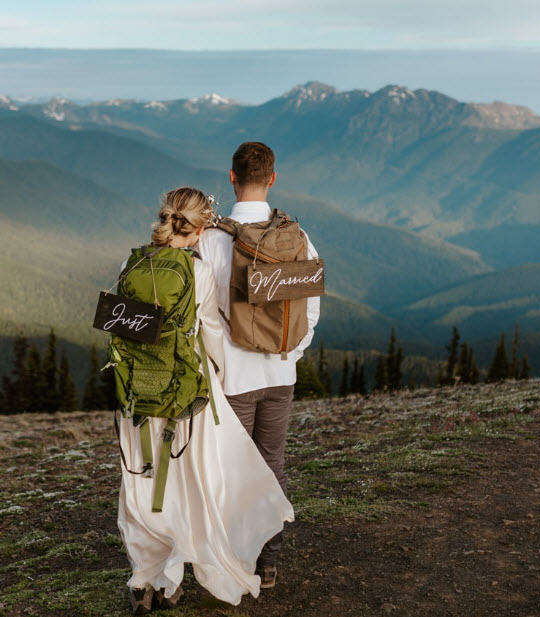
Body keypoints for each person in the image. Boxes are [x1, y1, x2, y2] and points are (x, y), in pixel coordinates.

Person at [116, 187, 294, 614]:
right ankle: (175, 575)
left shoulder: (131, 262)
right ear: (198, 231)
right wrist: (225, 374)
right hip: (184, 394)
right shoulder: (194, 271)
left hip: (138, 394)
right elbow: (211, 330)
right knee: (183, 487)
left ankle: (145, 579)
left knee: (141, 482)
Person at [196, 142, 320, 589]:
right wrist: (290, 353)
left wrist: (219, 365)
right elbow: (311, 309)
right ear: (272, 178)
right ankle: (267, 563)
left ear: (231, 177)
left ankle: (233, 560)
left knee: (231, 469)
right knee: (272, 464)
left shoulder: (211, 240)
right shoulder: (298, 236)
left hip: (233, 378)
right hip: (280, 375)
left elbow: (201, 313)